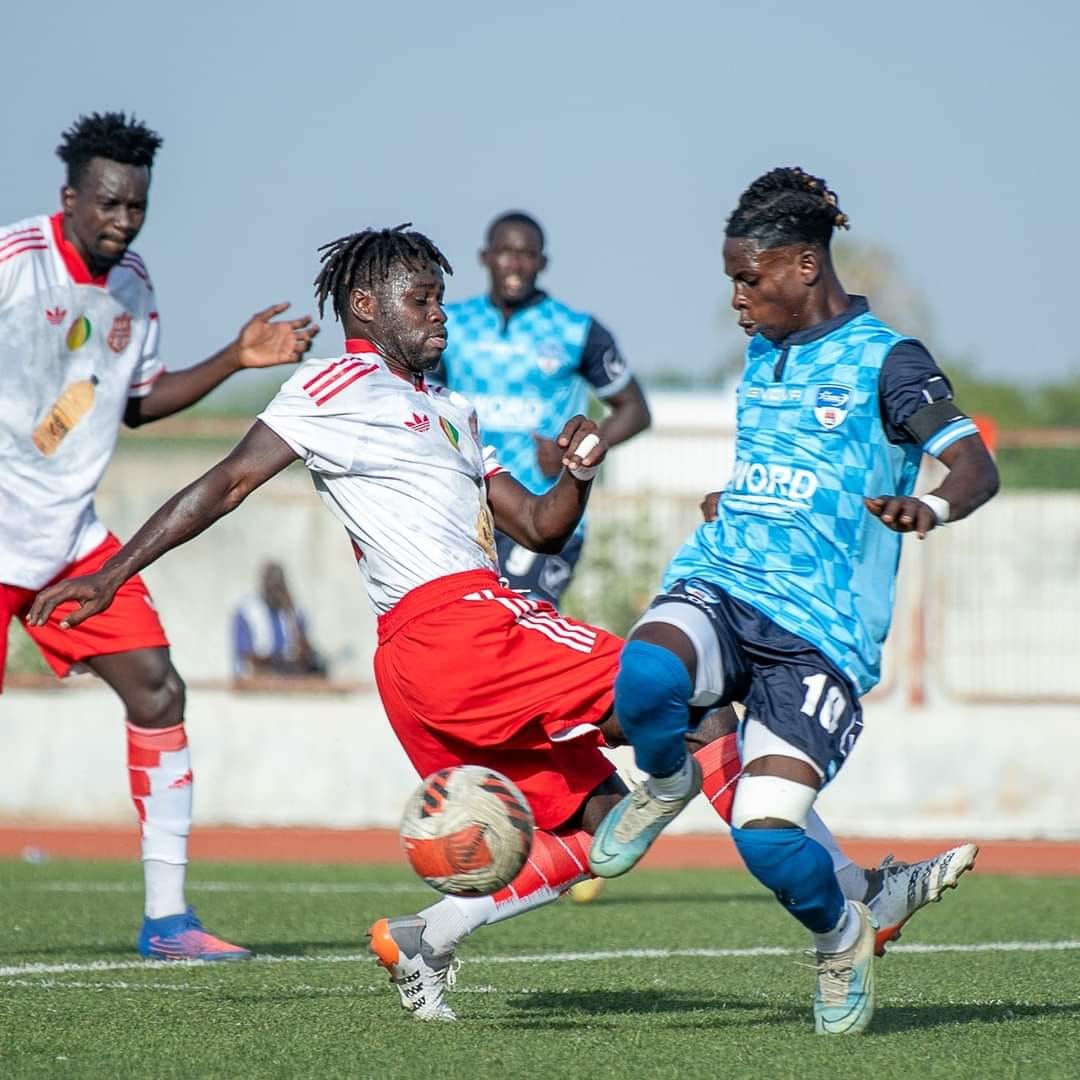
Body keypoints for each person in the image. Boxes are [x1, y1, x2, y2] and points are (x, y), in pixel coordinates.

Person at [31, 223, 976, 1023]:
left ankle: (422, 943)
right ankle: (856, 898)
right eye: (422, 300)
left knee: (594, 828)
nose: (440, 315)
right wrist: (113, 571)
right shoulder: (331, 390)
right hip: (464, 630)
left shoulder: (449, 408)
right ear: (367, 309)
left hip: (434, 658)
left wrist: (579, 466)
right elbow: (226, 485)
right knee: (699, 691)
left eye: (441, 300)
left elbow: (534, 523)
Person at [587, 167, 999, 1035]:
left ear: (805, 265)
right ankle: (662, 783)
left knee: (768, 834)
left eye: (750, 279)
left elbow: (975, 467)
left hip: (820, 636)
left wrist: (927, 505)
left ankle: (843, 933)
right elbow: (784, 467)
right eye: (732, 280)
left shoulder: (891, 361)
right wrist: (734, 501)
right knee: (646, 675)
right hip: (728, 580)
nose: (738, 299)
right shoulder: (763, 348)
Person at [0, 112, 319, 960]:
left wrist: (234, 360)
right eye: (108, 203)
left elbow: (137, 402)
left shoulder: (134, 283)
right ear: (69, 197)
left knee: (159, 692)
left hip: (70, 540)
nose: (123, 220)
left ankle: (169, 920)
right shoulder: (14, 263)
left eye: (137, 206)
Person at [438, 211, 650, 607]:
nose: (515, 264)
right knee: (466, 625)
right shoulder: (453, 325)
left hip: (545, 509)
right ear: (485, 258)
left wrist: (576, 454)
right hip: (469, 508)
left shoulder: (575, 330)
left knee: (522, 619)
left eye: (526, 254)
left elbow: (635, 410)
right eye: (504, 252)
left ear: (542, 262)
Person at [232, 561, 327, 680]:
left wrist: (290, 611)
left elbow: (305, 651)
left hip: (289, 678)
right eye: (271, 583)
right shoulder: (247, 611)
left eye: (278, 584)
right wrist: (279, 660)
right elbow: (246, 656)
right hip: (257, 681)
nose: (275, 589)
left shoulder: (293, 611)